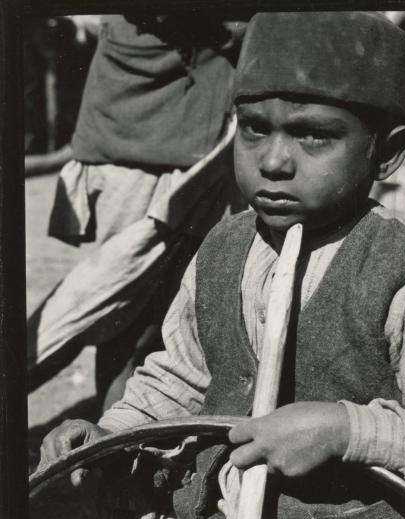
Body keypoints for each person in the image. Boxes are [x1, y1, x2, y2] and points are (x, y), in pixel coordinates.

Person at [40, 11, 405, 519]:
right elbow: (183, 374)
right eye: (254, 130)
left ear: (385, 152)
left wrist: (344, 428)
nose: (275, 161)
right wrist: (112, 430)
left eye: (315, 137)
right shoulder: (222, 248)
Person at [28, 13, 246, 409]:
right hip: (139, 136)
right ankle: (112, 447)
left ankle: (124, 439)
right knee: (110, 308)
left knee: (168, 315)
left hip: (205, 130)